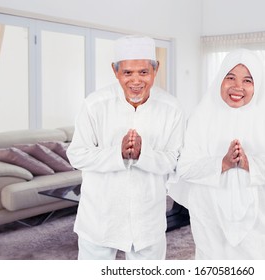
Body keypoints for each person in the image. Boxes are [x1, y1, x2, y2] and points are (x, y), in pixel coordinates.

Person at [167, 48, 265, 259]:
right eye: (230, 77)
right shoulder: (202, 115)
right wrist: (223, 163)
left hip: (262, 219)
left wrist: (250, 164)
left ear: (257, 85)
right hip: (212, 216)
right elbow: (185, 167)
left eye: (248, 80)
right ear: (220, 79)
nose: (237, 87)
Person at [67, 35, 185, 260]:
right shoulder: (94, 105)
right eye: (127, 73)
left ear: (156, 69)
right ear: (115, 71)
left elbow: (175, 159)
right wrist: (116, 153)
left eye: (143, 72)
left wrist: (144, 154)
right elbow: (76, 155)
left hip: (147, 218)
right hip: (100, 216)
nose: (136, 81)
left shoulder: (171, 108)